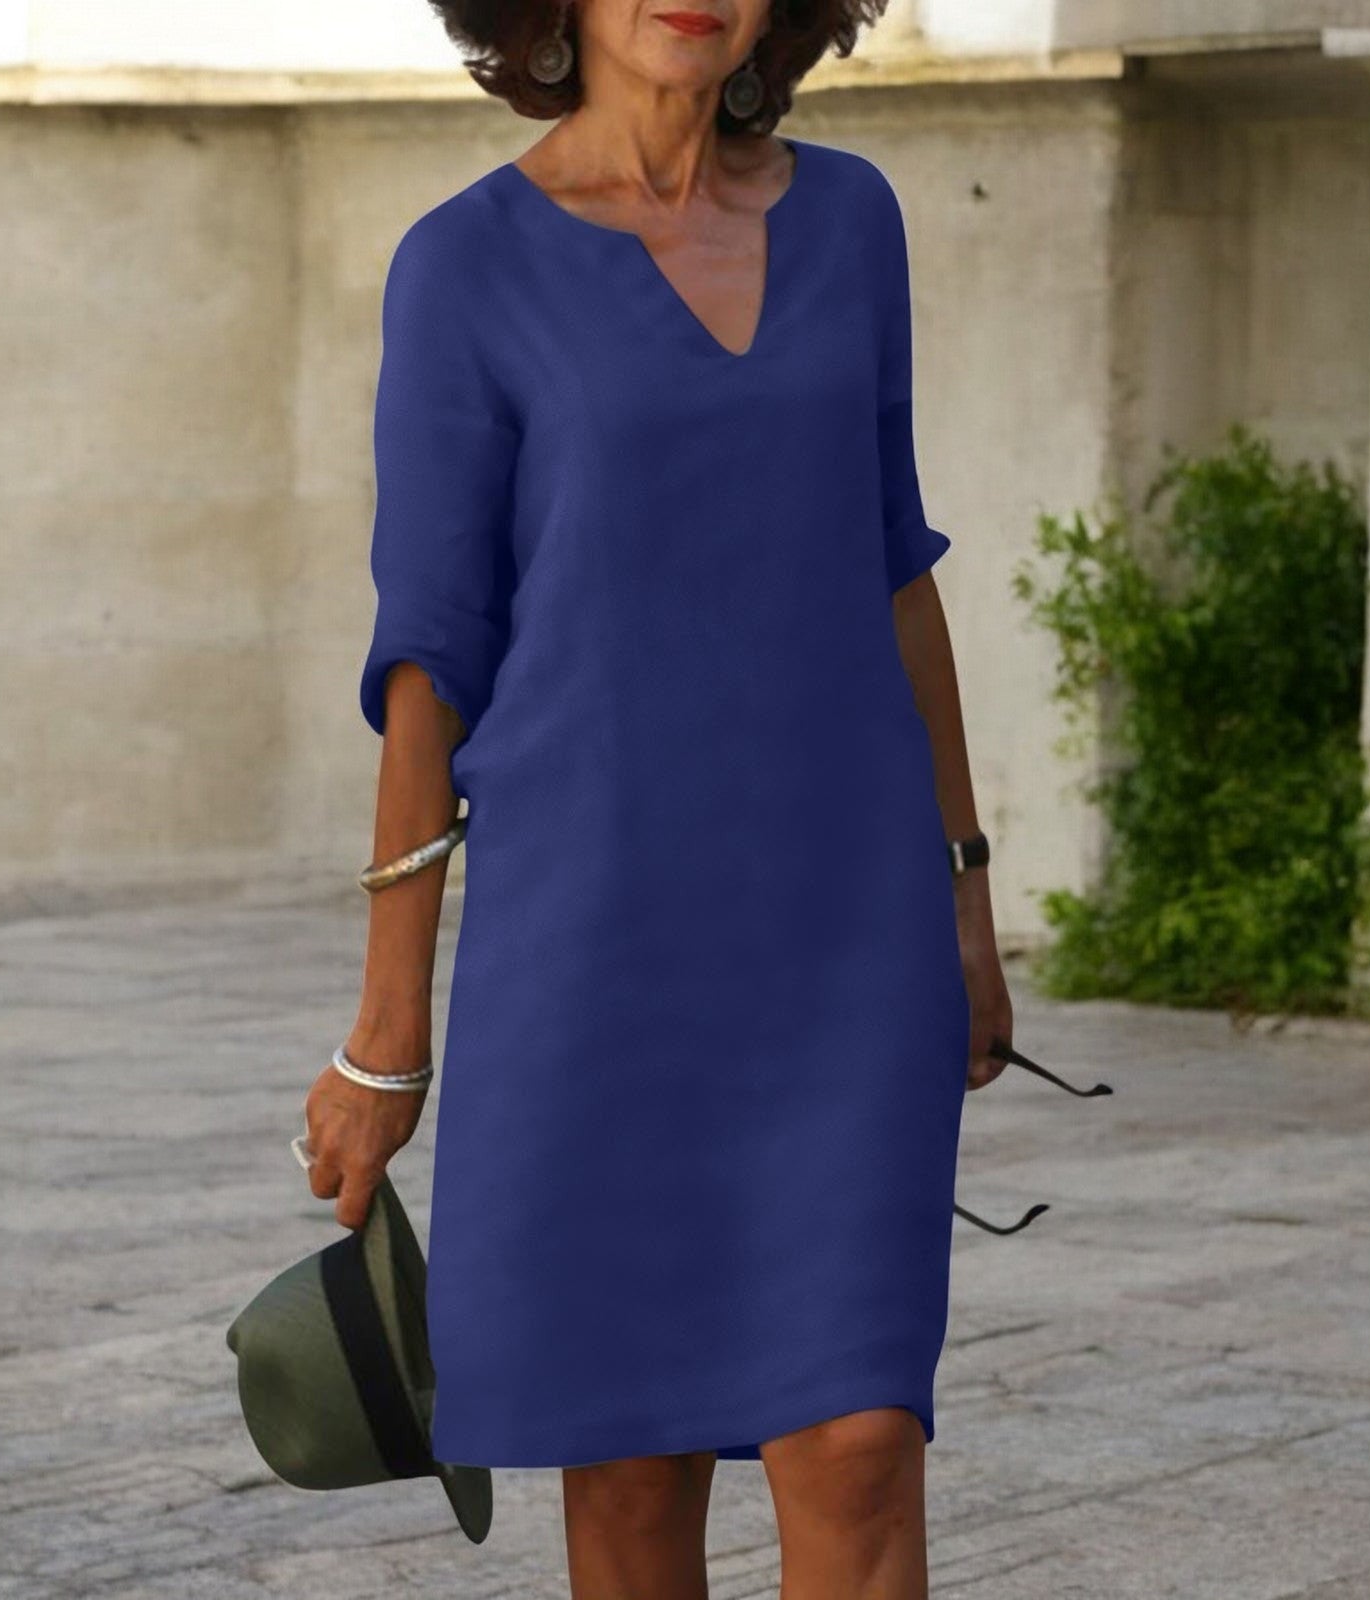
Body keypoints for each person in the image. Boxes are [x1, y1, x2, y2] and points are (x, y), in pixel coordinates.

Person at [301, 1, 1014, 1594]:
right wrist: (387, 1028)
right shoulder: (464, 265)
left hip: (847, 943)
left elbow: (896, 572)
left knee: (860, 1445)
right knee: (630, 1480)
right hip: (594, 958)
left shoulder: (853, 221)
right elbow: (429, 662)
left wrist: (963, 889)